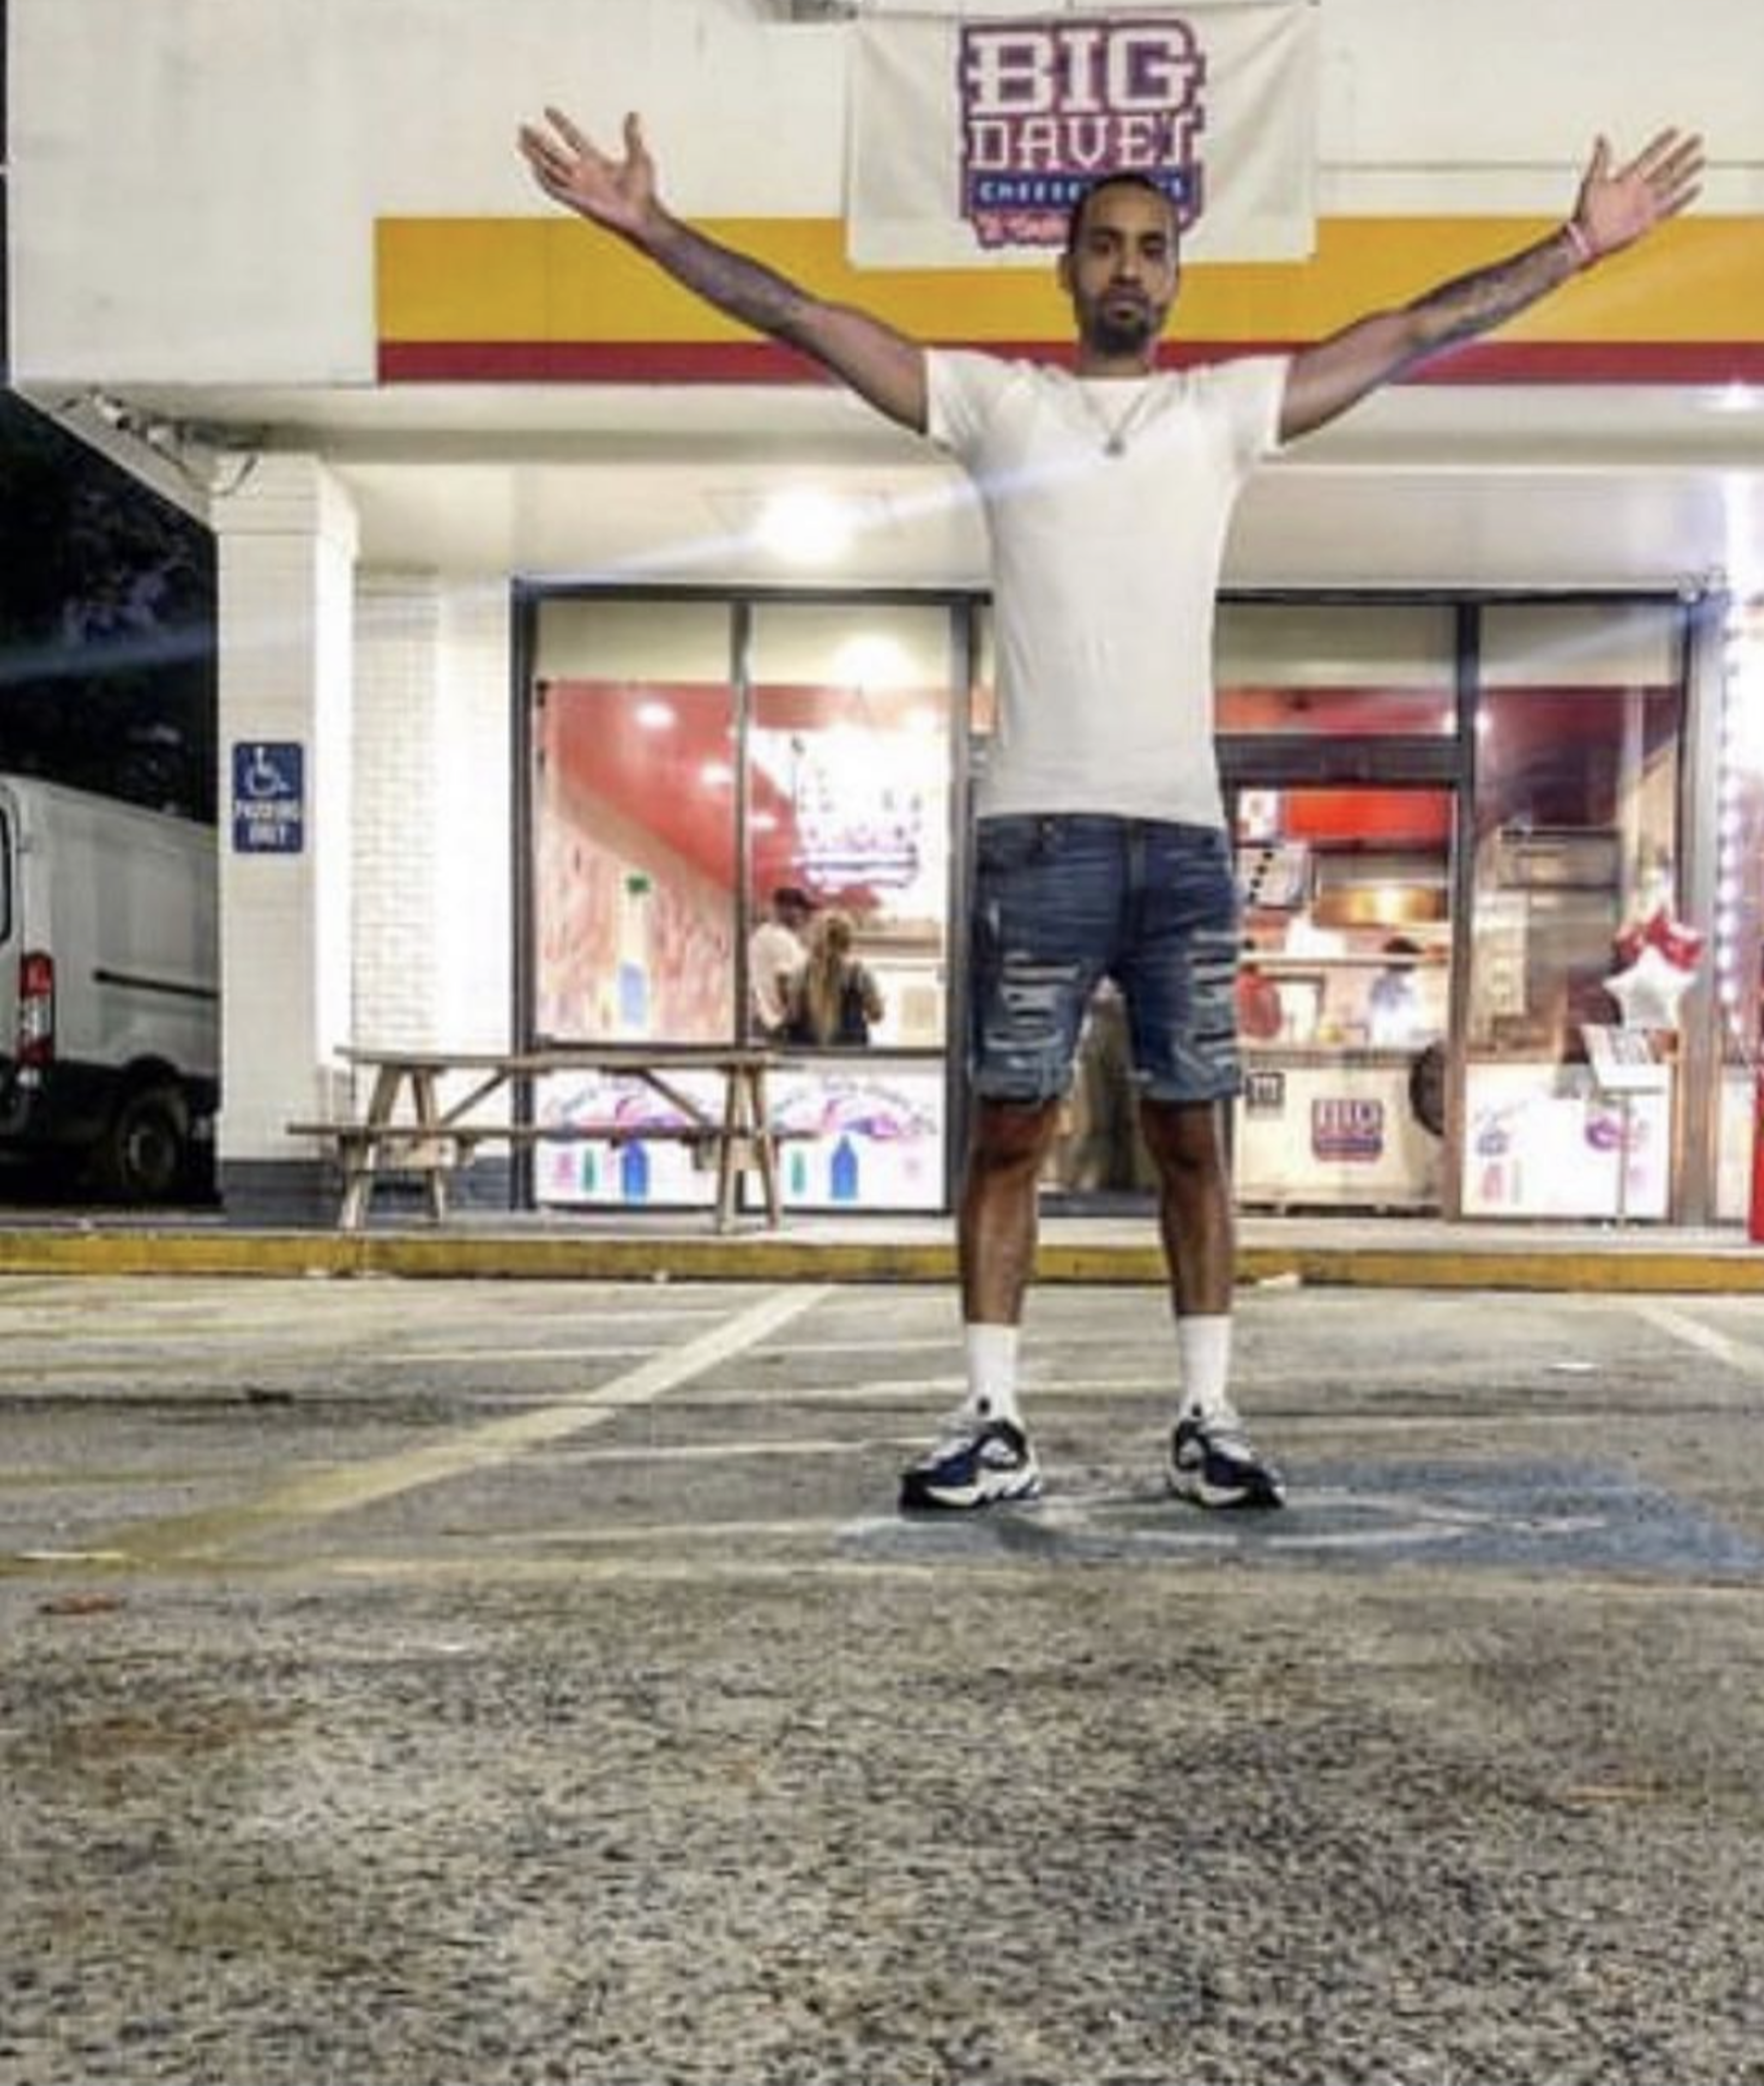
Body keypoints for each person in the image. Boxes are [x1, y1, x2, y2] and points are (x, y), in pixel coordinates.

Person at [517, 105, 1703, 1513]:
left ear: (1176, 277)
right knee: (1010, 1127)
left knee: (1193, 1132)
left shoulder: (1222, 415)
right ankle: (991, 1418)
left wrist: (1574, 246)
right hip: (1041, 835)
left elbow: (1398, 335)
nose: (1128, 269)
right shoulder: (1000, 405)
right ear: (1067, 272)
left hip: (1186, 847)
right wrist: (653, 231)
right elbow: (813, 321)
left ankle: (1209, 1415)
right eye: (1104, 248)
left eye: (1152, 249)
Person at [783, 908, 885, 1047]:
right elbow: (877, 1016)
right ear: (848, 940)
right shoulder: (860, 973)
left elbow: (793, 1017)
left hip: (808, 1060)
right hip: (851, 1061)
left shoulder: (800, 974)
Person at [747, 884, 811, 1041]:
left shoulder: (762, 935)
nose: (806, 916)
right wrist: (796, 1021)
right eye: (801, 909)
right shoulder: (781, 938)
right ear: (784, 909)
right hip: (778, 1026)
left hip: (764, 1021)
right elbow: (784, 982)